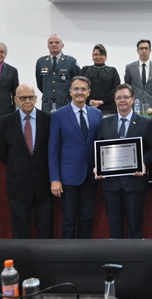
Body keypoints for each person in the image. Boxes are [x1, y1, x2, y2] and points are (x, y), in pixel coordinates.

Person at [95, 84, 152, 239]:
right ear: (115, 100)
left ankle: (134, 262)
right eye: (119, 97)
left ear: (133, 99)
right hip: (111, 185)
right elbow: (100, 149)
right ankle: (117, 262)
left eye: (126, 97)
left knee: (135, 226)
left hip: (135, 184)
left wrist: (143, 163)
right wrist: (98, 166)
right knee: (114, 226)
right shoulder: (105, 122)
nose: (122, 100)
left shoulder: (145, 122)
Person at [0, 84, 52, 239]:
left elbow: (52, 149)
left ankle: (45, 261)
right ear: (16, 99)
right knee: (20, 231)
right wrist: (18, 165)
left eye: (31, 97)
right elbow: (1, 151)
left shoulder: (47, 119)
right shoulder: (5, 122)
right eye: (23, 98)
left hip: (43, 184)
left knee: (45, 230)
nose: (27, 101)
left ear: (36, 98)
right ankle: (22, 261)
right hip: (18, 184)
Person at [48, 76, 102, 239]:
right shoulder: (58, 115)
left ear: (89, 92)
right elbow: (53, 149)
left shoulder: (97, 114)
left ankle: (84, 257)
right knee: (69, 221)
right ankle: (68, 259)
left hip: (91, 176)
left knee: (87, 219)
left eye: (83, 89)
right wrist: (55, 179)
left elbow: (101, 143)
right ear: (70, 92)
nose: (80, 92)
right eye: (76, 89)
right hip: (68, 177)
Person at [35, 34, 81, 112]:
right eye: (51, 42)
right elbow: (40, 83)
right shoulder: (41, 62)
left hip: (65, 103)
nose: (54, 45)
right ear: (48, 45)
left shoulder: (71, 61)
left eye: (57, 42)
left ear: (62, 45)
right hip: (47, 104)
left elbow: (78, 81)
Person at [124, 39, 152, 110]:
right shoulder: (130, 68)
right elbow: (128, 86)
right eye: (141, 48)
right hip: (135, 104)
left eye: (146, 48)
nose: (144, 51)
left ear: (150, 50)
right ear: (137, 51)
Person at [80, 44, 121, 115]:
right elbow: (80, 87)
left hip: (108, 109)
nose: (98, 57)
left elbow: (116, 89)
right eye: (95, 54)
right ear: (92, 56)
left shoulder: (112, 70)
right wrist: (90, 100)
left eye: (101, 54)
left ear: (106, 56)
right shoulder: (85, 70)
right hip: (88, 107)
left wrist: (102, 101)